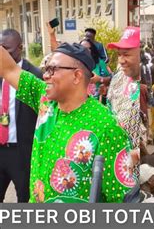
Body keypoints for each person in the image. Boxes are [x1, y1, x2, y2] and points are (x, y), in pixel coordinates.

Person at [0, 43, 136, 203]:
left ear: (77, 76)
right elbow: (10, 69)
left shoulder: (106, 127)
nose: (45, 76)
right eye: (45, 69)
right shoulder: (45, 100)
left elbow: (123, 199)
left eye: (52, 69)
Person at [0, 29, 43, 203]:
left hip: (22, 152)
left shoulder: (34, 76)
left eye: (6, 50)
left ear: (20, 48)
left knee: (25, 200)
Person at [106, 27, 143, 164]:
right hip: (116, 163)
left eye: (126, 54)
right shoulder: (118, 79)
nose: (121, 60)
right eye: (119, 54)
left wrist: (138, 154)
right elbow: (109, 112)